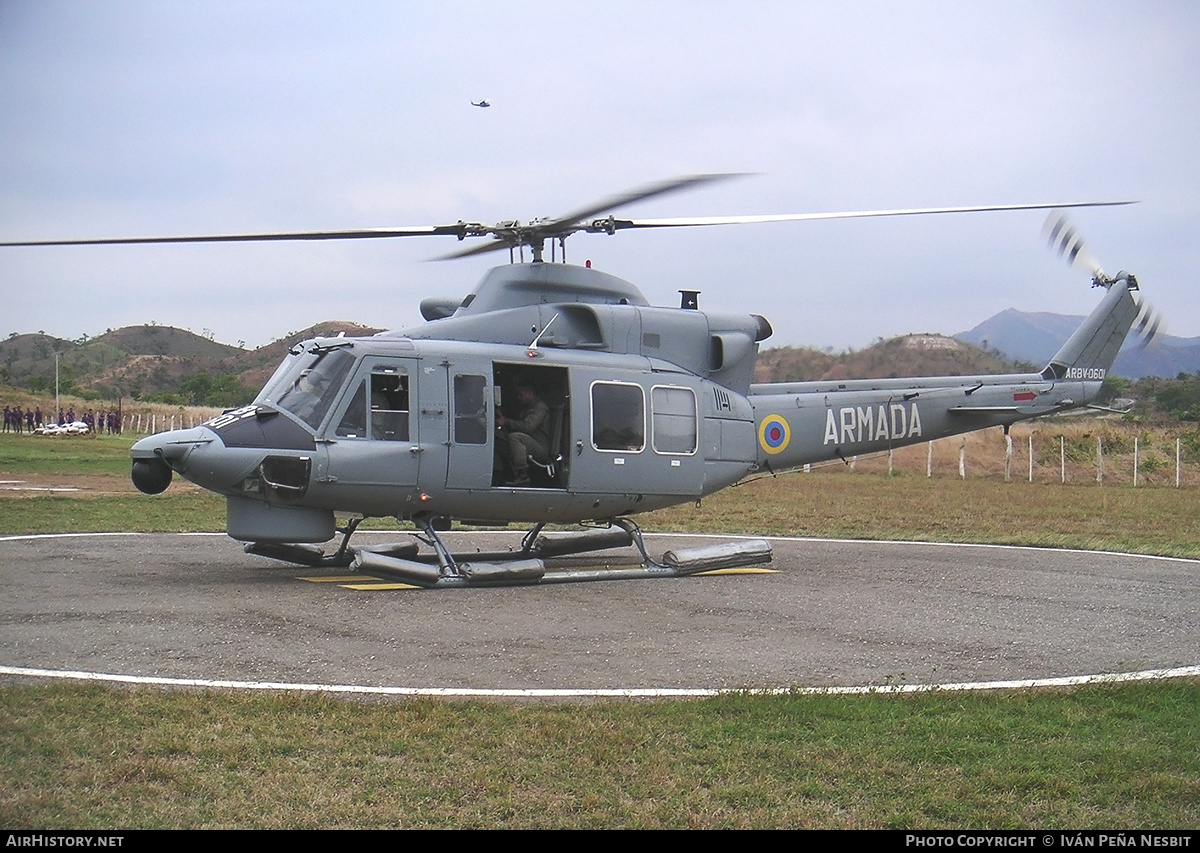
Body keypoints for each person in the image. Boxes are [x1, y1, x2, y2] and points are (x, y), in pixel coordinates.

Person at [495, 383, 550, 487]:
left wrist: (506, 422)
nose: (518, 398)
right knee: (497, 444)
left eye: (521, 394)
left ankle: (523, 475)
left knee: (515, 437)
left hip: (540, 448)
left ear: (529, 394)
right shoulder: (527, 408)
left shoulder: (540, 408)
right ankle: (497, 475)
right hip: (526, 443)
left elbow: (527, 427)